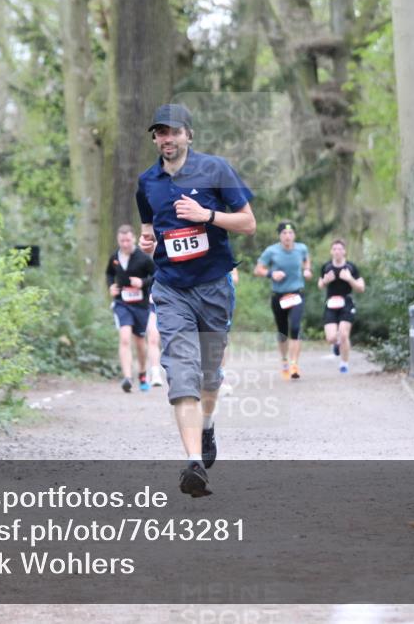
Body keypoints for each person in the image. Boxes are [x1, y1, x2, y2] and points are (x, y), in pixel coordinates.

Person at [137, 103, 256, 497]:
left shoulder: (216, 170)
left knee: (209, 377)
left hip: (213, 287)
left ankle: (206, 428)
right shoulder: (147, 182)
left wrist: (207, 215)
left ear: (189, 134)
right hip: (171, 289)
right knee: (181, 373)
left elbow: (248, 223)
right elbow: (148, 227)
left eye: (173, 131)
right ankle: (192, 464)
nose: (166, 138)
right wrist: (147, 239)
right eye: (159, 132)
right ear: (155, 138)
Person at [254, 222, 312, 380]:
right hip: (278, 296)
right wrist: (271, 274)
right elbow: (258, 269)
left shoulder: (301, 248)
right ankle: (285, 360)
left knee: (295, 327)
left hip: (296, 294)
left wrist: (307, 270)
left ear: (295, 235)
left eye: (291, 233)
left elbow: (306, 260)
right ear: (280, 236)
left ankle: (294, 364)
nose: (288, 236)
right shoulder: (271, 251)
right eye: (284, 234)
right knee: (282, 332)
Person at [105, 225, 156, 392]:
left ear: (133, 239)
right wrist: (110, 286)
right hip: (122, 303)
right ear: (118, 241)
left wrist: (142, 283)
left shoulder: (143, 258)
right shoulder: (115, 257)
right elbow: (109, 274)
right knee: (125, 338)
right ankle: (127, 377)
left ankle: (142, 373)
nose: (125, 244)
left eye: (127, 240)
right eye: (121, 241)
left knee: (140, 343)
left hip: (141, 305)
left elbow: (156, 275)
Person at [318, 238, 365, 373]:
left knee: (344, 334)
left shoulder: (351, 267)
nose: (337, 251)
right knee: (331, 338)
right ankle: (336, 344)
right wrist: (326, 281)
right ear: (331, 252)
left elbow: (361, 288)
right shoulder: (326, 267)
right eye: (334, 249)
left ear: (344, 252)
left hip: (346, 303)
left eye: (340, 249)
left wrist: (349, 279)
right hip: (331, 303)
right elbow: (320, 285)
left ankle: (344, 364)